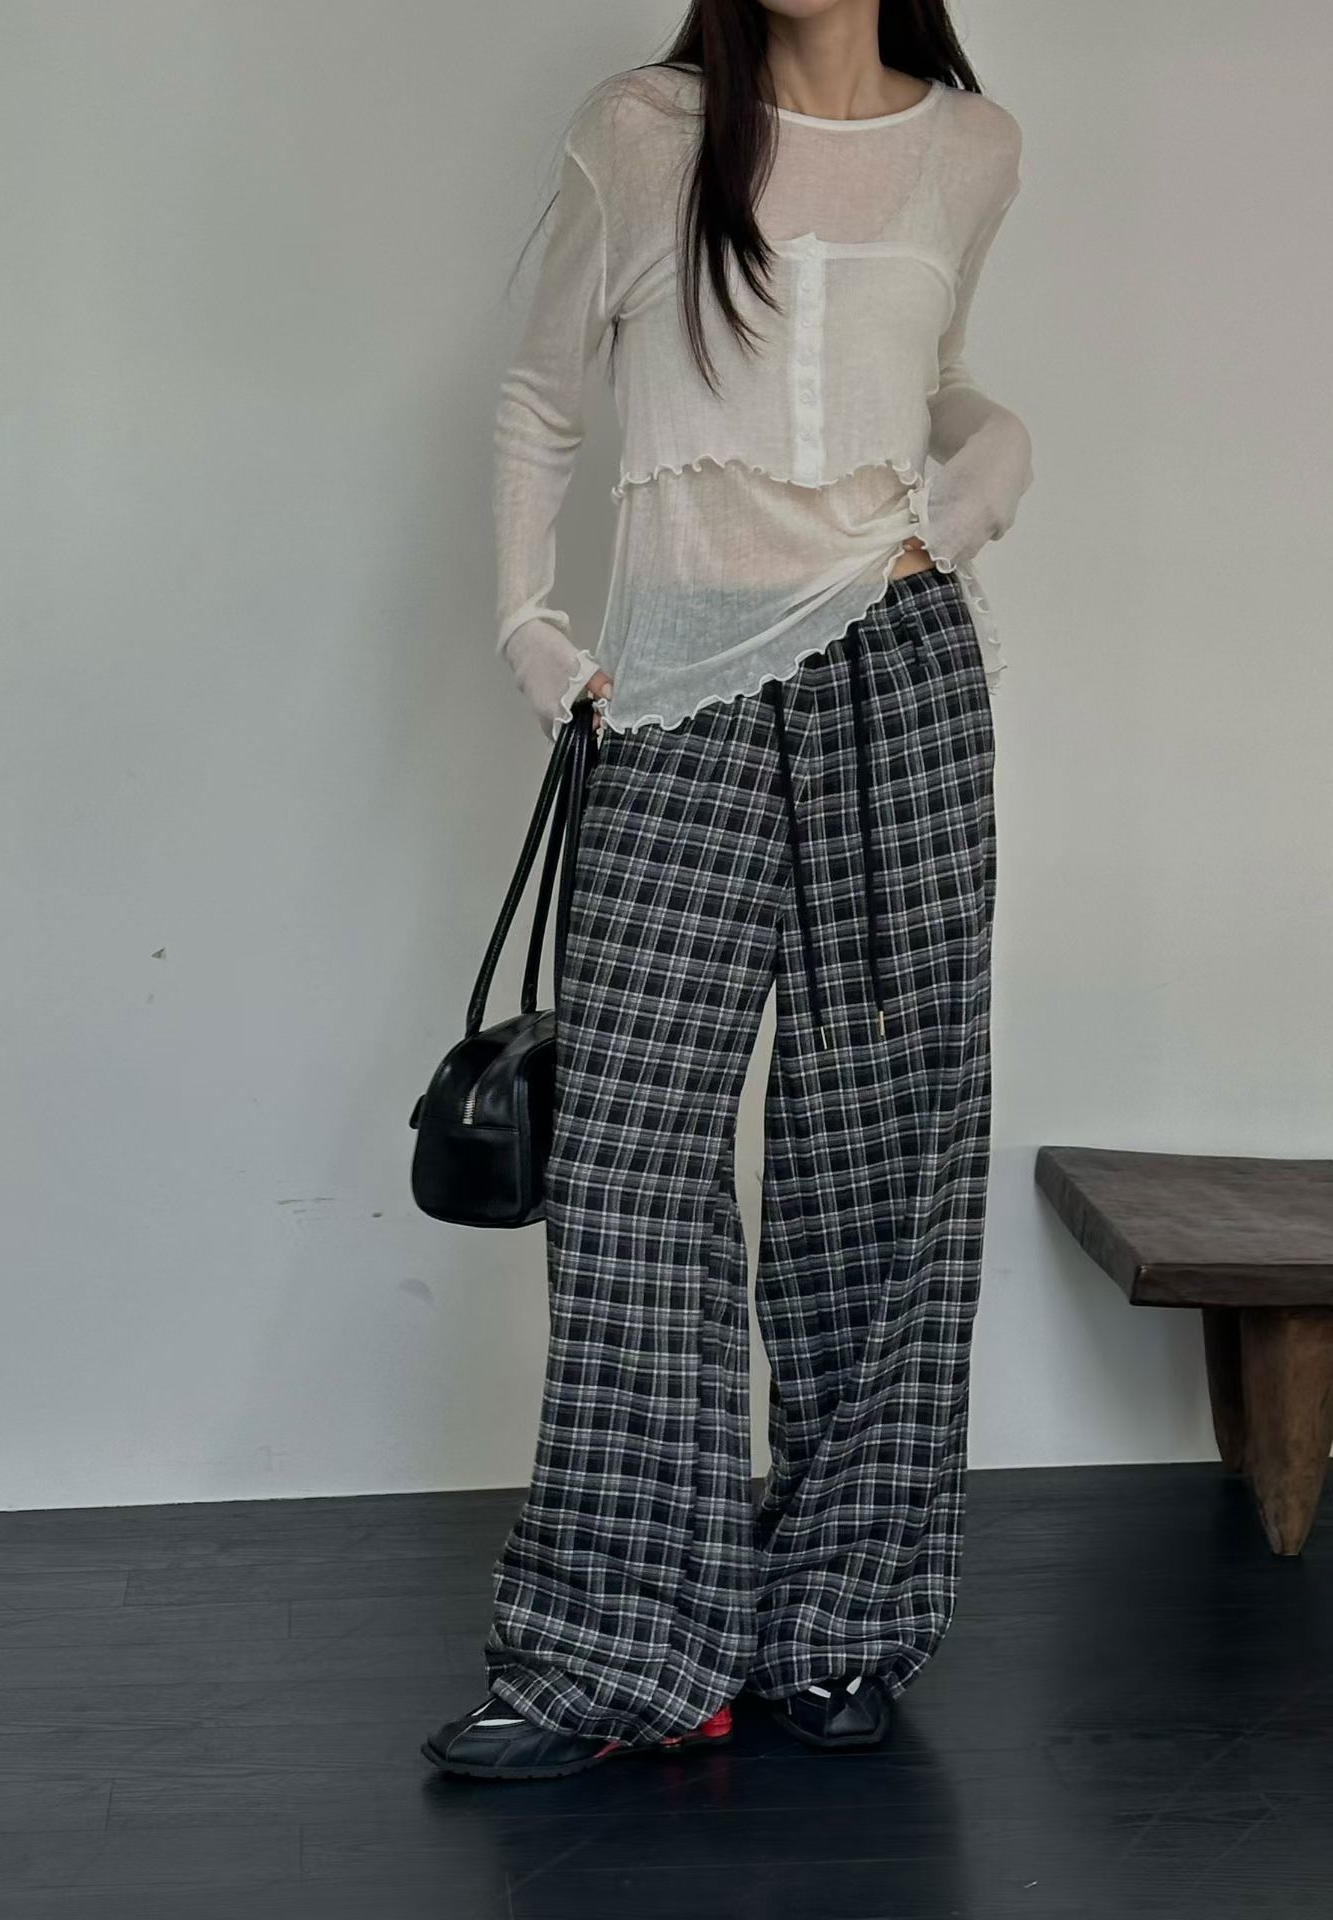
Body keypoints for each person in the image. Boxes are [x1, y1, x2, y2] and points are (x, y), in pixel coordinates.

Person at [424, 0, 1032, 1781]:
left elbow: (937, 380)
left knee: (888, 1151)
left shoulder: (973, 147)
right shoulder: (642, 129)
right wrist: (536, 635)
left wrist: (989, 465)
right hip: (681, 684)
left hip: (900, 671)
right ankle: (621, 1647)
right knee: (632, 1158)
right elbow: (541, 395)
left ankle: (841, 1621)